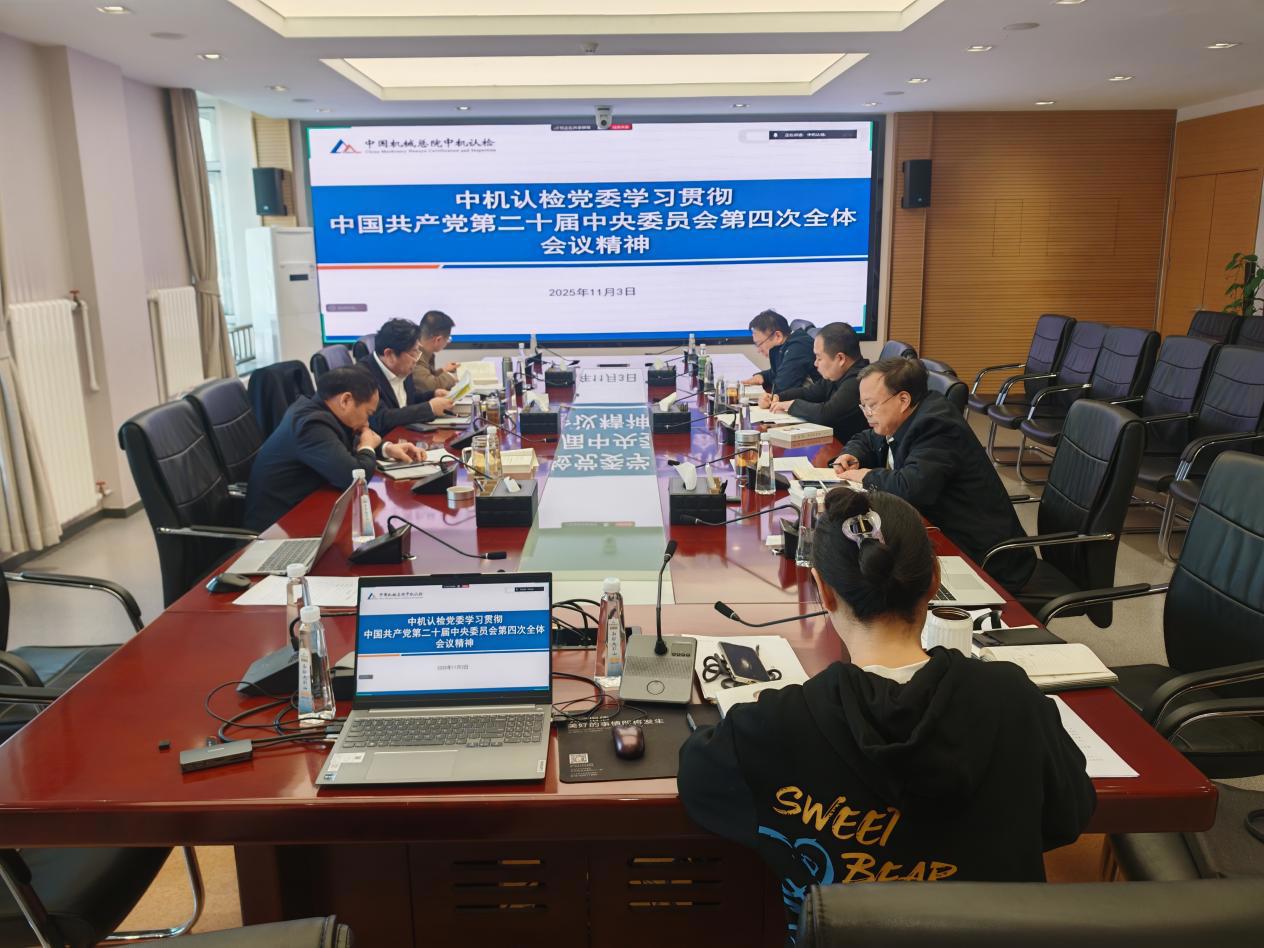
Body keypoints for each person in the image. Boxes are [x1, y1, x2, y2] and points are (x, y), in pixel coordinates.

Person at [678, 489, 1095, 942]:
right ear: (934, 580)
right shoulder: (1015, 701)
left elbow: (698, 781)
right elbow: (1067, 815)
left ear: (823, 590)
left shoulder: (775, 725)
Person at [832, 357, 1035, 592]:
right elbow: (867, 438)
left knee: (875, 584)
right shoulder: (903, 417)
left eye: (871, 405)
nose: (867, 414)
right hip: (942, 537)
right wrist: (852, 454)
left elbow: (911, 488)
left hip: (983, 558)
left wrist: (866, 476)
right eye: (863, 406)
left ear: (903, 400)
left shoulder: (936, 426)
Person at [244, 366, 425, 531]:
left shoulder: (320, 410)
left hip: (309, 509)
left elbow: (345, 443)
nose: (367, 423)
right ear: (345, 400)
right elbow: (354, 477)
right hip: (278, 528)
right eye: (367, 413)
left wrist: (386, 448)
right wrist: (368, 447)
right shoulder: (310, 425)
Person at [760, 322, 870, 442]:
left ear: (840, 358)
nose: (815, 363)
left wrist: (792, 405)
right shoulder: (838, 375)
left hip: (845, 446)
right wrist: (777, 397)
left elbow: (826, 414)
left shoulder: (858, 381)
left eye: (819, 358)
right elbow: (810, 392)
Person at [358, 318, 455, 434]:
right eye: (413, 353)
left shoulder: (402, 366)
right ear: (389, 354)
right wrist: (430, 408)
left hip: (406, 434)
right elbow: (380, 419)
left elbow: (407, 400)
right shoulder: (363, 376)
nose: (416, 360)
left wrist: (433, 394)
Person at [743, 310, 817, 394]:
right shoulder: (784, 345)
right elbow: (778, 372)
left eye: (759, 344)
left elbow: (782, 389)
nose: (759, 350)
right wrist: (762, 376)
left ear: (778, 336)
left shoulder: (798, 347)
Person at [412, 310, 460, 392]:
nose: (448, 342)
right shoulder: (415, 355)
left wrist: (443, 370)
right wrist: (452, 377)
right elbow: (430, 386)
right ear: (438, 340)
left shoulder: (423, 351)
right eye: (448, 339)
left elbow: (427, 376)